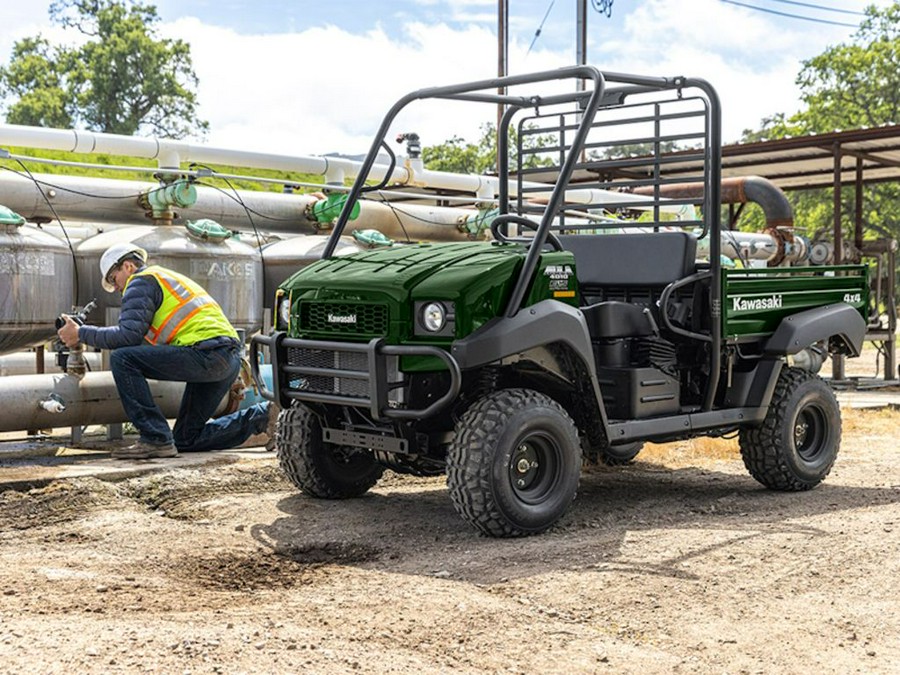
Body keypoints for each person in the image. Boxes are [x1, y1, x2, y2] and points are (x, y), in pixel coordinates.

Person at [57, 242, 277, 459]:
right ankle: (263, 416)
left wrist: (81, 333)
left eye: (114, 279)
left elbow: (127, 336)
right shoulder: (163, 278)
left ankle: (155, 437)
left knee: (123, 359)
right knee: (185, 439)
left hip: (206, 354)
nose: (116, 288)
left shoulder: (140, 281)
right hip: (227, 357)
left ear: (127, 266)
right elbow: (143, 341)